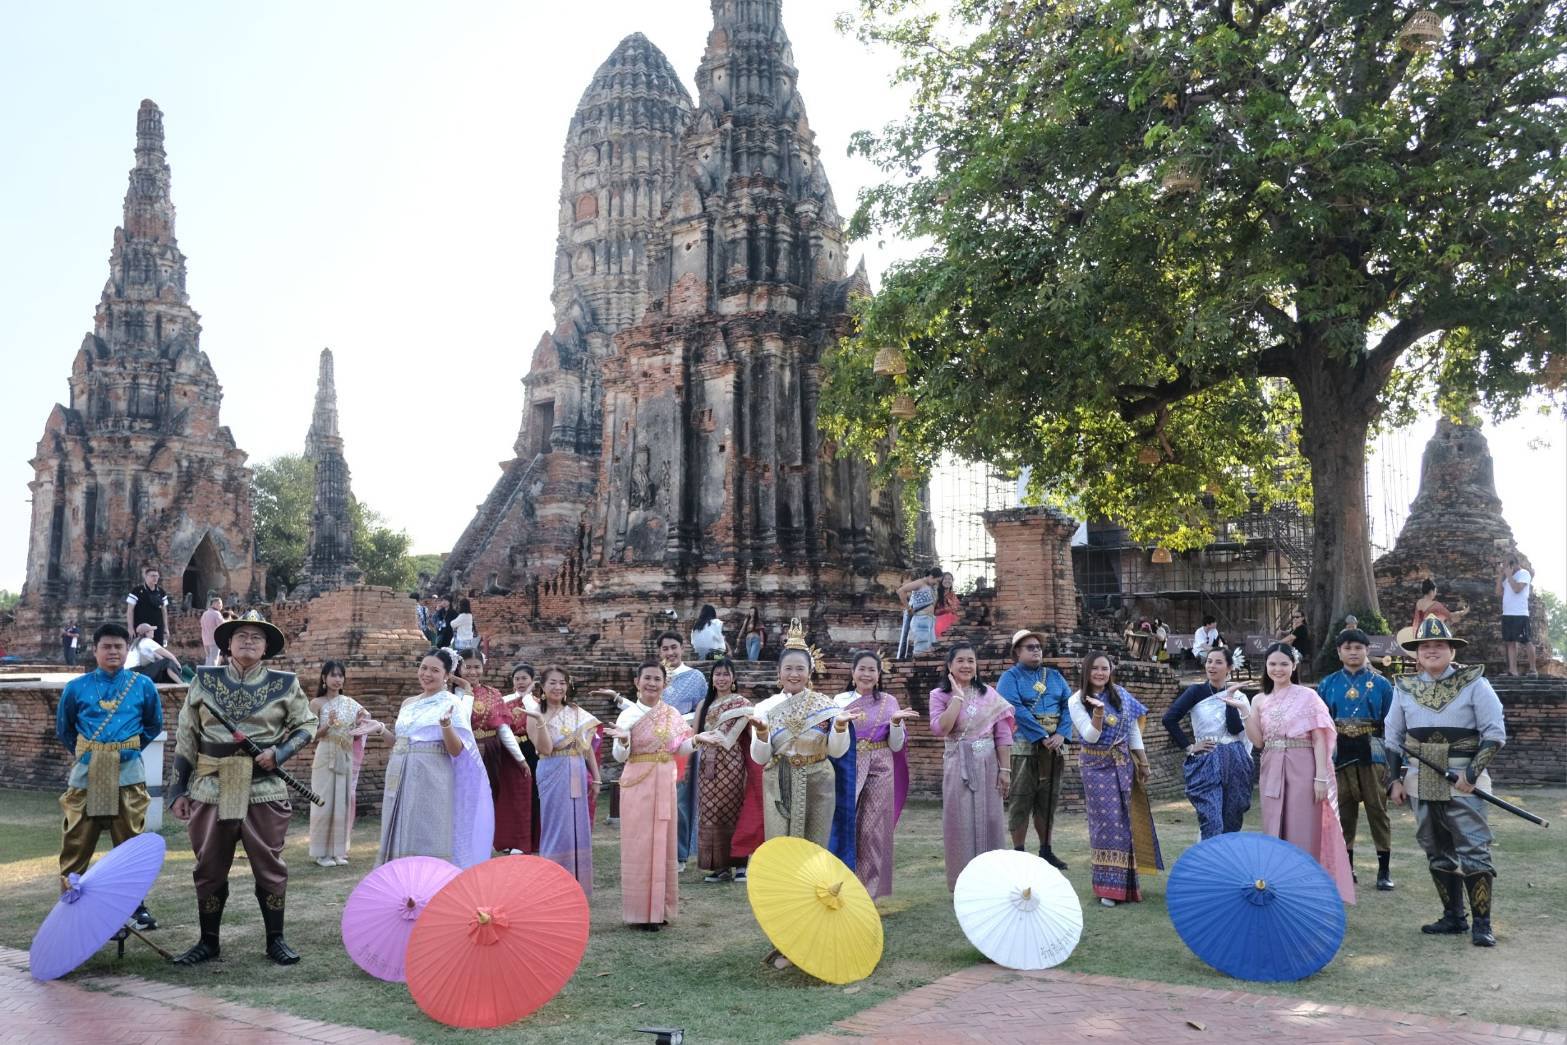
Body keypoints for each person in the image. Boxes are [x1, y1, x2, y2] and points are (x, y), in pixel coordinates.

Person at [168, 611, 317, 965]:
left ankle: (275, 940)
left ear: (266, 648)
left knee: (269, 865)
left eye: (256, 637)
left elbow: (306, 725)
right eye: (241, 636)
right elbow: (187, 734)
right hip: (210, 784)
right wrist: (178, 790)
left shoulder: (285, 683)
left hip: (263, 787)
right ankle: (208, 941)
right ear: (228, 644)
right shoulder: (204, 680)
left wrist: (279, 753)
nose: (248, 641)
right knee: (208, 866)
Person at [1386, 616, 1507, 946]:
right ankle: (1453, 917)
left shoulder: (1475, 683)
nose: (1432, 651)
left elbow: (1494, 734)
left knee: (1473, 848)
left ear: (1452, 650)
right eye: (1425, 646)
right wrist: (1393, 781)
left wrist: (1470, 775)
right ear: (1417, 653)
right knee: (1435, 848)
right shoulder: (1404, 688)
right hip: (1420, 779)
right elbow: (1393, 737)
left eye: (1439, 645)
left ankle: (1482, 923)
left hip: (1464, 778)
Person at [55, 622, 163, 930]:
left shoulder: (142, 686)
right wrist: (93, 752)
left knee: (130, 842)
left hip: (128, 772)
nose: (113, 651)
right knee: (76, 841)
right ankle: (69, 903)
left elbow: (152, 725)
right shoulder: (76, 687)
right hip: (87, 773)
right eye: (106, 646)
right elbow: (65, 729)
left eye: (119, 646)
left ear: (127, 649)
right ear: (94, 650)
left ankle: (135, 906)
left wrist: (125, 749)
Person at [1239, 642, 1355, 904]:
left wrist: (1321, 776)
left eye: (1283, 663)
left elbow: (1319, 739)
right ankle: (1276, 885)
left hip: (1303, 764)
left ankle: (1306, 890)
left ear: (1294, 666)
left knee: (1303, 826)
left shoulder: (1308, 696)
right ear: (1265, 667)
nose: (1278, 669)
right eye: (1272, 664)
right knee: (1272, 825)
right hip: (1271, 764)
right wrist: (1245, 711)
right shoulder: (1259, 699)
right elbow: (1258, 741)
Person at [377, 648, 493, 868]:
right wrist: (380, 729)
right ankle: (402, 880)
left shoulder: (451, 703)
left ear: (447, 675)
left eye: (434, 670)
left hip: (432, 776)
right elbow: (401, 743)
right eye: (423, 668)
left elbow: (457, 750)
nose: (427, 674)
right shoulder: (408, 703)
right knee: (401, 828)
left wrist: (446, 725)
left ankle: (430, 883)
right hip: (400, 774)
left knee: (427, 831)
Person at [607, 659, 696, 930]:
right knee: (640, 844)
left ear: (664, 684)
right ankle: (640, 913)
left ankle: (661, 909)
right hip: (638, 781)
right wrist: (623, 740)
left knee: (664, 842)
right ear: (637, 682)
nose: (652, 683)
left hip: (664, 781)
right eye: (647, 678)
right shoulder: (629, 715)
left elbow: (680, 748)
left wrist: (698, 741)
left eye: (657, 679)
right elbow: (619, 755)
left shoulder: (672, 715)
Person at [748, 624, 855, 849]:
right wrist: (762, 734)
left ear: (810, 671)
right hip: (779, 781)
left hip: (818, 780)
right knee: (780, 846)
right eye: (788, 668)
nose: (794, 674)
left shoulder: (827, 706)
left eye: (800, 668)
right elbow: (760, 758)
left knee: (815, 845)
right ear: (779, 672)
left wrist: (840, 728)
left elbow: (835, 751)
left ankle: (812, 885)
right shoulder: (765, 708)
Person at [1069, 652, 1163, 906]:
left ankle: (1129, 887)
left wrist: (1143, 762)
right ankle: (1108, 888)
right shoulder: (1076, 700)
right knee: (1107, 823)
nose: (1100, 673)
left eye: (1105, 668)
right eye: (1095, 669)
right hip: (1096, 767)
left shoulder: (1121, 695)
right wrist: (1098, 713)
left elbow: (1133, 731)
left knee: (1127, 821)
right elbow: (1089, 736)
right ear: (1086, 671)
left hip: (1123, 763)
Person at [930, 642, 1015, 890]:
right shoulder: (939, 695)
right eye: (961, 661)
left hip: (989, 764)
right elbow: (940, 728)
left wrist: (1005, 771)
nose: (966, 665)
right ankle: (963, 885)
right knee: (959, 822)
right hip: (958, 764)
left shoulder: (989, 694)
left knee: (992, 820)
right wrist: (956, 698)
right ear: (949, 666)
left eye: (971, 661)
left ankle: (993, 882)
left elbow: (1003, 735)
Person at [834, 650, 918, 899]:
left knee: (871, 830)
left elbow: (895, 745)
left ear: (879, 675)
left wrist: (894, 723)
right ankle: (841, 884)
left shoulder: (889, 702)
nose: (867, 674)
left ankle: (866, 892)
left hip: (880, 767)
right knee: (845, 825)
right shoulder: (839, 701)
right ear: (853, 672)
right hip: (848, 765)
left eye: (872, 669)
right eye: (862, 668)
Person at [1318, 628, 1396, 890]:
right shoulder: (1327, 684)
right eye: (1348, 648)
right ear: (1339, 652)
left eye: (1358, 648)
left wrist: (1395, 764)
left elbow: (1393, 726)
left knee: (1377, 810)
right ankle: (1345, 869)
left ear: (1367, 650)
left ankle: (1384, 871)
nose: (1353, 652)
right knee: (1344, 811)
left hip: (1372, 750)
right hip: (1338, 752)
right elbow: (1320, 723)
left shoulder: (1383, 685)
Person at [995, 629, 1072, 869]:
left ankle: (1046, 850)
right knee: (1021, 800)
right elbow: (1014, 708)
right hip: (1023, 747)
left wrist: (1061, 733)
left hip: (1054, 748)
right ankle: (1019, 853)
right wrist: (1041, 735)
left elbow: (1069, 705)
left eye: (1038, 646)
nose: (1036, 650)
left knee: (1047, 800)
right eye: (1029, 647)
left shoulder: (1055, 676)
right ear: (1017, 652)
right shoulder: (1010, 678)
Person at [1162, 647, 1252, 839]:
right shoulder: (1196, 691)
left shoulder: (1239, 696)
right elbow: (1169, 719)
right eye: (1209, 661)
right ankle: (1207, 866)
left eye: (1218, 662)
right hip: (1206, 759)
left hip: (1234, 758)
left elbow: (1236, 729)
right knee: (1211, 821)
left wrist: (1230, 699)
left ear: (1229, 667)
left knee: (1232, 821)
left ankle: (1225, 867)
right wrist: (1189, 747)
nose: (1212, 666)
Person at [527, 666, 598, 896]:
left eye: (562, 683)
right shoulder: (535, 714)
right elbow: (545, 748)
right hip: (552, 769)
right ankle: (552, 882)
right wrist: (540, 721)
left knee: (578, 824)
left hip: (577, 767)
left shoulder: (576, 712)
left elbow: (586, 750)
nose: (558, 687)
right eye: (552, 683)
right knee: (556, 825)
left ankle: (578, 883)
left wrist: (596, 778)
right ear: (543, 687)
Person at [307, 661, 386, 867]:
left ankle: (338, 851)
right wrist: (328, 725)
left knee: (342, 801)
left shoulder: (351, 703)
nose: (337, 679)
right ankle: (321, 853)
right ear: (324, 678)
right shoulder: (316, 703)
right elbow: (311, 736)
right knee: (323, 801)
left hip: (345, 753)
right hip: (326, 753)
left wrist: (361, 721)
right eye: (333, 675)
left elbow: (363, 724)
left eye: (341, 675)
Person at [465, 648, 532, 855]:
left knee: (489, 796)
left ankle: (483, 841)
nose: (472, 672)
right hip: (461, 752)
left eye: (477, 667)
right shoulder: (450, 694)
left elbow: (503, 729)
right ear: (458, 668)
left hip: (491, 751)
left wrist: (520, 759)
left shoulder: (492, 694)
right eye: (467, 667)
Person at [693, 658, 753, 883]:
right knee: (710, 813)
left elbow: (750, 736)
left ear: (734, 678)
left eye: (726, 674)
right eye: (717, 674)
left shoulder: (741, 704)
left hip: (733, 764)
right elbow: (694, 735)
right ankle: (718, 867)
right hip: (707, 765)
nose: (721, 678)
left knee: (733, 810)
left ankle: (740, 865)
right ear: (712, 678)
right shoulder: (704, 704)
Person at [658, 631, 708, 870]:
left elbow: (703, 709)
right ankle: (658, 850)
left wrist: (680, 723)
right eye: (665, 649)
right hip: (656, 744)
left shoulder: (695, 677)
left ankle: (679, 854)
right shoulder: (655, 676)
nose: (670, 653)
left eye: (673, 647)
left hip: (684, 743)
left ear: (682, 648)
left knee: (680, 800)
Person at [1497, 557, 1537, 675]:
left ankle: (1533, 669)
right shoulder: (1507, 578)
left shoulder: (1524, 574)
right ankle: (1513, 671)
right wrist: (1500, 576)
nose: (1504, 568)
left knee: (1526, 640)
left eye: (1505, 565)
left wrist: (1509, 576)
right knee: (1510, 642)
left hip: (1520, 614)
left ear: (1512, 565)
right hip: (1507, 614)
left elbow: (1517, 589)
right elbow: (1498, 592)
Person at [898, 567, 943, 656]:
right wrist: (908, 608)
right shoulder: (919, 583)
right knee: (921, 646)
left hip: (929, 619)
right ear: (931, 576)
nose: (936, 583)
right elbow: (901, 591)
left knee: (929, 647)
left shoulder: (932, 587)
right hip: (920, 618)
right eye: (937, 581)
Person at [125, 565, 172, 646]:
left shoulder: (161, 592)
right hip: (141, 628)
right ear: (146, 577)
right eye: (153, 576)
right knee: (142, 648)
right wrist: (130, 628)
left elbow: (164, 611)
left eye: (157, 576)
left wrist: (166, 627)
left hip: (157, 627)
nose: (155, 578)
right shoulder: (136, 591)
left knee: (157, 650)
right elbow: (130, 611)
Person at [199, 596, 225, 666]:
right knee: (214, 659)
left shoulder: (205, 614)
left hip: (205, 640)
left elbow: (202, 626)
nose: (221, 606)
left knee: (208, 658)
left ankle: (205, 675)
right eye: (220, 603)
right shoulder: (216, 614)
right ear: (215, 603)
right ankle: (212, 675)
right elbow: (223, 626)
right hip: (214, 640)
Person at [934, 572, 961, 637]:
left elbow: (958, 608)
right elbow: (932, 611)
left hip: (953, 622)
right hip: (939, 622)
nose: (947, 581)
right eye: (945, 579)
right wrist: (946, 610)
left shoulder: (953, 595)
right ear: (941, 581)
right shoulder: (936, 593)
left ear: (952, 581)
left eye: (949, 579)